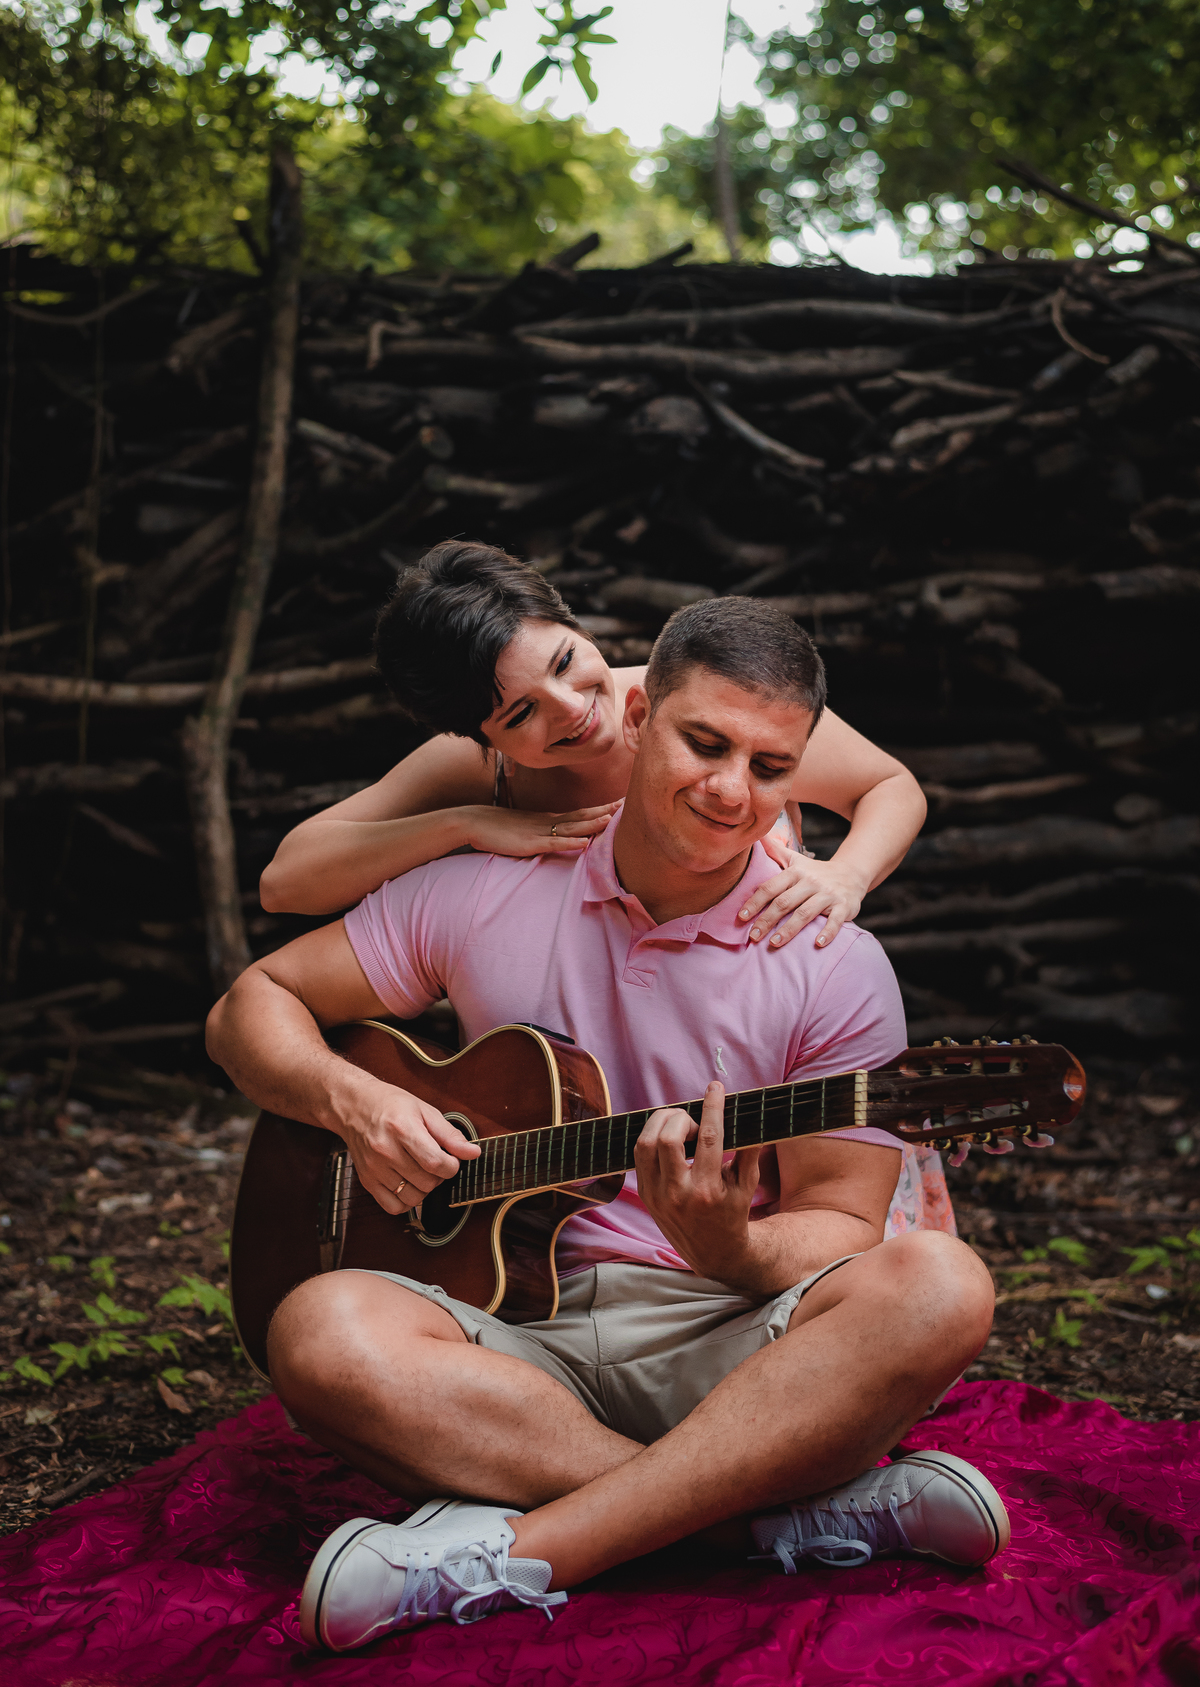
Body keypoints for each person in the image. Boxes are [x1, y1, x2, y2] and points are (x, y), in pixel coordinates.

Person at [208, 596, 1002, 1655]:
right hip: (508, 1334)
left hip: (726, 1339)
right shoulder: (482, 890)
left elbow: (845, 1223)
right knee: (317, 1331)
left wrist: (733, 1243)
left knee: (942, 1283)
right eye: (704, 743)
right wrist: (356, 1101)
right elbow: (247, 1005)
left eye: (770, 768)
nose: (731, 792)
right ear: (644, 716)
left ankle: (526, 1547)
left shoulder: (833, 960)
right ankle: (765, 1513)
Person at [260, 542, 952, 1241]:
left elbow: (889, 785)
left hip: (750, 1019)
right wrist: (465, 823)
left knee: (835, 1223)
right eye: (520, 714)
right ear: (479, 737)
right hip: (596, 1081)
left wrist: (846, 873)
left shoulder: (707, 701)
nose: (570, 710)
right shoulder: (478, 774)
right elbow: (286, 880)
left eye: (563, 662)